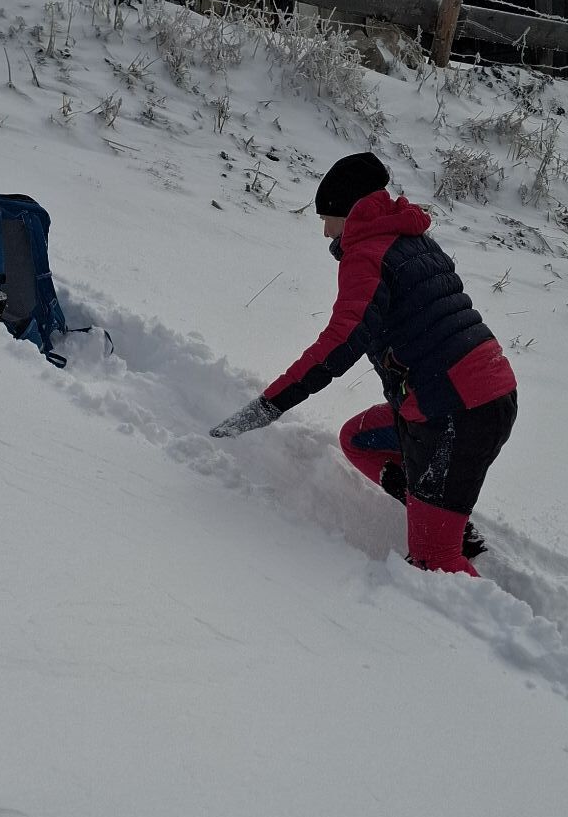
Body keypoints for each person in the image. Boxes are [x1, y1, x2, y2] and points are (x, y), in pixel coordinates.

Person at [210, 152, 517, 576]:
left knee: (433, 562)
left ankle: (461, 582)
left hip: (455, 412)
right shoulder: (410, 238)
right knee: (358, 439)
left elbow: (340, 342)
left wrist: (268, 406)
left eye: (328, 218)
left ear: (350, 211)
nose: (325, 231)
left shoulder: (367, 253)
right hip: (482, 392)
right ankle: (439, 517)